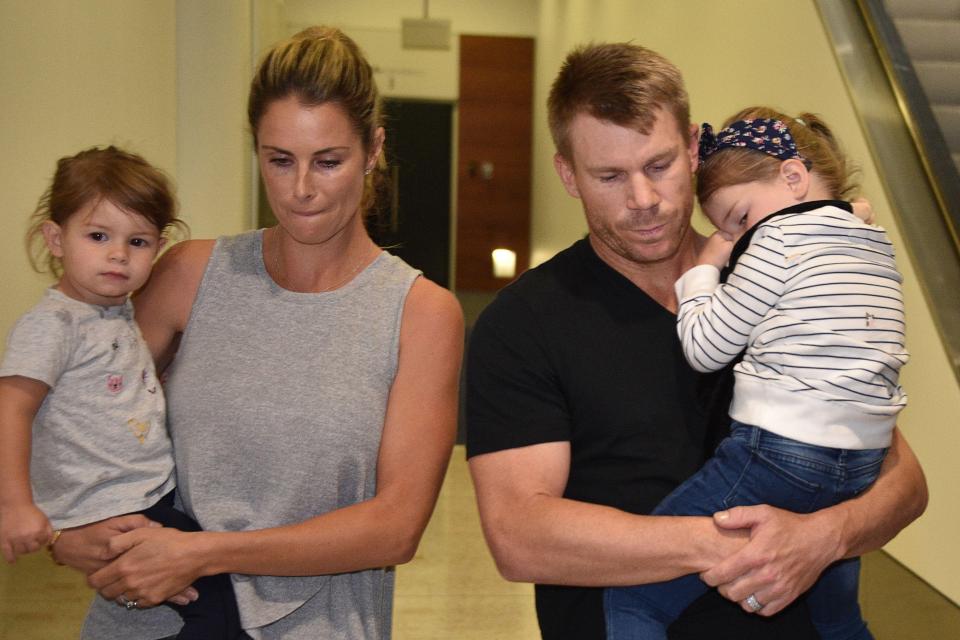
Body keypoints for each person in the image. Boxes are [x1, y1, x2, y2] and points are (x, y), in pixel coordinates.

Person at [465, 42, 927, 640]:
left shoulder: (775, 272)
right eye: (609, 176)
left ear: (691, 146)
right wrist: (747, 543)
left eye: (659, 165)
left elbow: (904, 482)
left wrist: (822, 537)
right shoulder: (524, 324)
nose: (643, 200)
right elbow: (519, 537)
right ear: (567, 174)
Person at [50, 26, 463, 639]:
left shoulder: (419, 313)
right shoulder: (190, 274)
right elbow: (76, 415)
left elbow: (395, 528)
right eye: (279, 160)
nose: (301, 190)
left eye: (328, 161)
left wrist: (205, 552)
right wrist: (61, 530)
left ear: (373, 149)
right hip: (148, 620)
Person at [603, 108, 907, 640]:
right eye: (726, 230)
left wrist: (705, 269)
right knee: (837, 618)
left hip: (780, 453)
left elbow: (704, 347)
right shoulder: (871, 238)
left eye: (739, 219)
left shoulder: (777, 239)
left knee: (633, 595)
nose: (737, 238)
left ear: (793, 177)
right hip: (861, 465)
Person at [0, 146, 247, 639]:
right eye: (98, 236)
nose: (118, 254)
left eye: (137, 241)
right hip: (117, 505)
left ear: (158, 247)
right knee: (214, 601)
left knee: (200, 592)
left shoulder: (117, 312)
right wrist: (15, 504)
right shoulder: (53, 324)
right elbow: (11, 406)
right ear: (55, 238)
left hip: (151, 491)